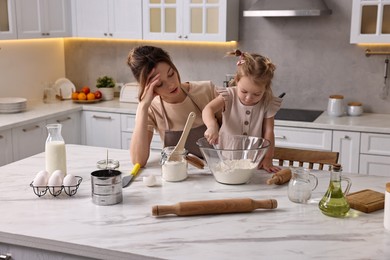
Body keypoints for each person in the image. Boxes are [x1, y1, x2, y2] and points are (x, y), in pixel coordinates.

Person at [127, 45, 221, 167]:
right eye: (159, 84)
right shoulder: (152, 108)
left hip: (216, 171)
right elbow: (138, 160)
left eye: (171, 74)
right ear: (147, 86)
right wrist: (143, 106)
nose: (171, 85)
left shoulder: (207, 90)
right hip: (178, 174)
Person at [202, 49, 282, 173]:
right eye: (244, 91)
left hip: (254, 157)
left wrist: (268, 158)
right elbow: (208, 109)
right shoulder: (229, 95)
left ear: (265, 88)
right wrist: (212, 126)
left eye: (256, 94)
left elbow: (269, 131)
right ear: (237, 80)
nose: (249, 98)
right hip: (227, 154)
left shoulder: (267, 102)